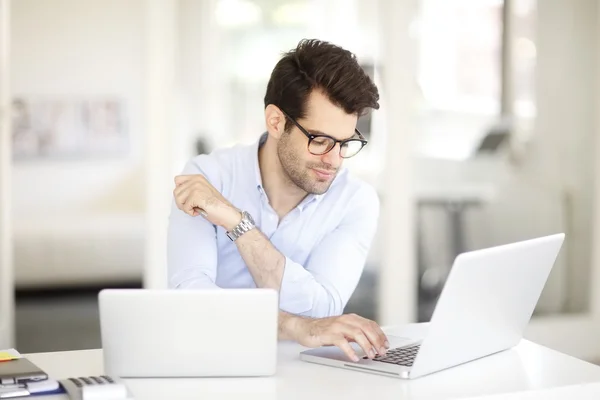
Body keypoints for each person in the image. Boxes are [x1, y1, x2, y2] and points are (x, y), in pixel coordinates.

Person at [168, 39, 388, 361]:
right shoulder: (208, 177)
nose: (334, 160)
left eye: (345, 143)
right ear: (276, 122)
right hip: (209, 359)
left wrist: (238, 224)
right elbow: (190, 299)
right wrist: (298, 327)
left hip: (304, 371)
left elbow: (322, 308)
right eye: (321, 140)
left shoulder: (356, 200)